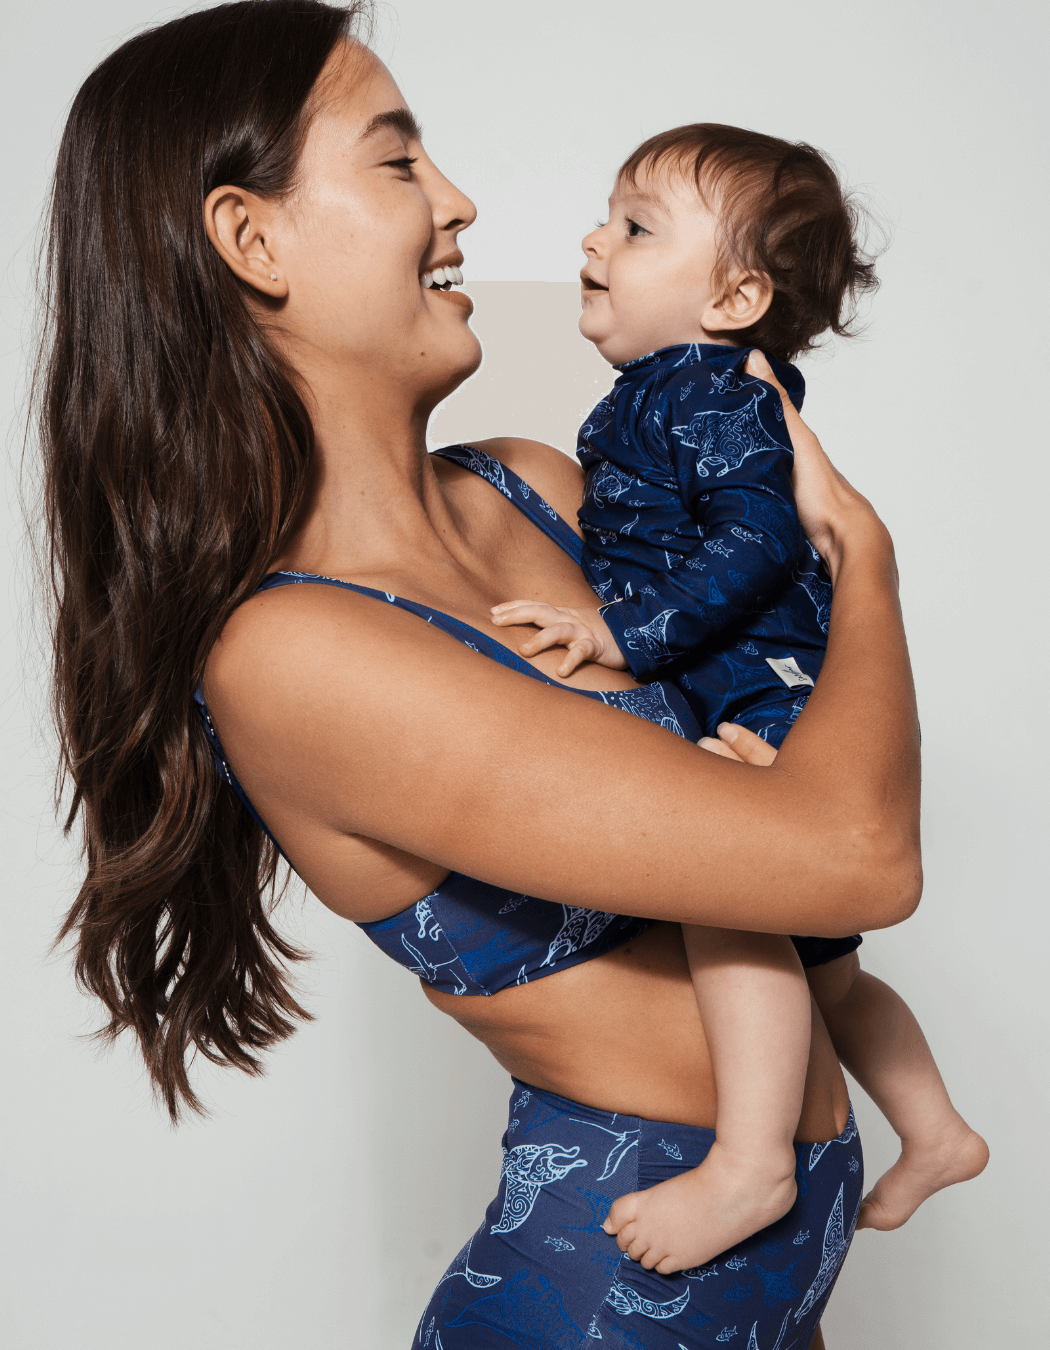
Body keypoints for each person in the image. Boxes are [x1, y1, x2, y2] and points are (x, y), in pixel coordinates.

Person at [38, 4, 922, 1346]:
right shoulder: (295, 651)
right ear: (251, 238)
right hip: (600, 1303)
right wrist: (867, 556)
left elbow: (787, 722)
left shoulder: (542, 486)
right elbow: (856, 857)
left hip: (775, 1276)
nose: (459, 203)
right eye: (397, 163)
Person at [490, 125, 988, 1274]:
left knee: (721, 887)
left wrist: (622, 630)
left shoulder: (702, 395)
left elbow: (760, 542)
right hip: (760, 680)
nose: (592, 238)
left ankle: (753, 1163)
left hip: (760, 686)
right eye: (607, 215)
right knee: (832, 971)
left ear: (736, 295)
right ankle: (936, 1127)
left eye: (634, 226)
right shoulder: (679, 391)